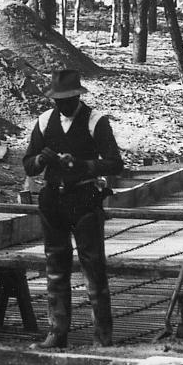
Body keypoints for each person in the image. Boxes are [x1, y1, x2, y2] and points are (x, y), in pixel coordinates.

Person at [22, 69, 125, 350]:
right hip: (53, 200)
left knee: (93, 266)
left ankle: (102, 336)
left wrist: (83, 166)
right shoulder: (44, 122)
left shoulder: (95, 121)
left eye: (68, 99)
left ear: (77, 96)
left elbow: (116, 163)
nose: (63, 105)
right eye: (58, 100)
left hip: (84, 199)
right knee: (55, 266)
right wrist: (41, 161)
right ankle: (57, 331)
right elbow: (28, 163)